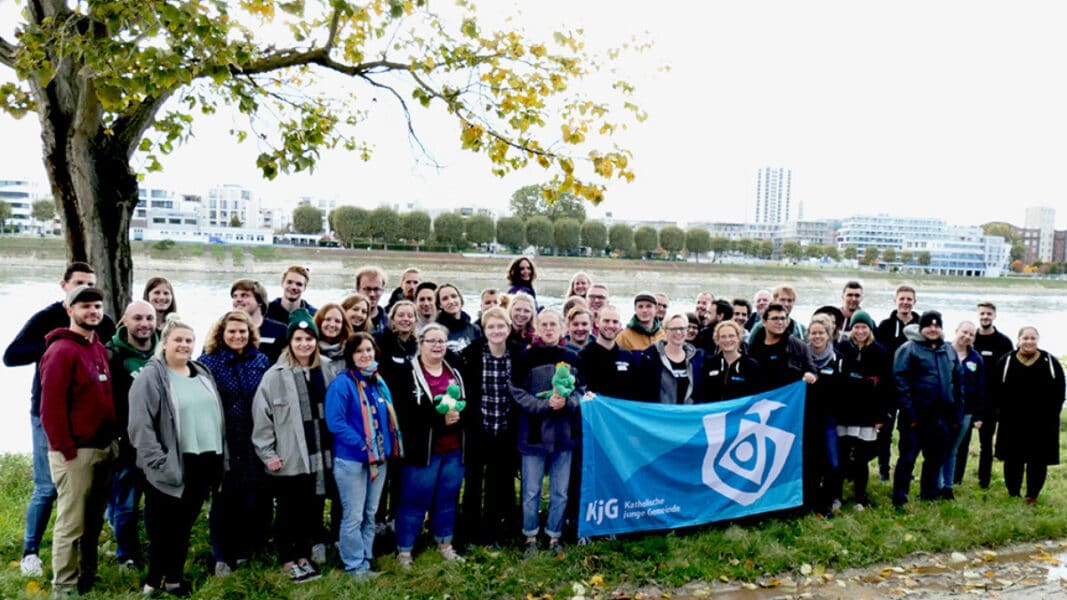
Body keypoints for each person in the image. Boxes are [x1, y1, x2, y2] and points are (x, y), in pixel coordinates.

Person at [3, 262, 116, 578]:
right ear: (64, 287)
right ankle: (30, 552)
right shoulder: (50, 321)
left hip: (88, 422)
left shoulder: (98, 321)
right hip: (47, 411)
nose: (87, 294)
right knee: (47, 487)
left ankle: (84, 563)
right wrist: (58, 341)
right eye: (79, 283)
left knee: (84, 498)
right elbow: (11, 356)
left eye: (91, 285)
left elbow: (110, 349)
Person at [128, 314, 225, 596]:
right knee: (163, 529)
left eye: (189, 340)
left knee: (183, 526)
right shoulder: (152, 376)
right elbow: (140, 425)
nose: (184, 345)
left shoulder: (202, 372)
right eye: (178, 340)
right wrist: (157, 462)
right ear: (165, 342)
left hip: (204, 461)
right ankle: (152, 582)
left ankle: (174, 579)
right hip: (171, 463)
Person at [39, 285, 118, 596]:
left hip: (104, 447)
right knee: (71, 524)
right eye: (85, 306)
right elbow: (50, 408)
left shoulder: (97, 346)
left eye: (97, 306)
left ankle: (87, 576)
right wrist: (66, 450)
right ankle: (65, 586)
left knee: (93, 521)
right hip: (75, 454)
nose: (93, 312)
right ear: (70, 310)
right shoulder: (60, 351)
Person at [252, 310, 341, 582]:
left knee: (312, 508)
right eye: (299, 339)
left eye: (309, 338)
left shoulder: (327, 368)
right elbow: (262, 418)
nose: (305, 344)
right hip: (290, 456)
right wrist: (268, 454)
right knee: (289, 510)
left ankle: (304, 554)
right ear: (290, 341)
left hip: (321, 454)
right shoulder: (275, 375)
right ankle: (287, 559)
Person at [197, 310, 271, 576]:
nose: (238, 336)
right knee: (224, 498)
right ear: (222, 334)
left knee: (253, 497)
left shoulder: (260, 360)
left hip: (255, 439)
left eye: (242, 331)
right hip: (224, 439)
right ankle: (221, 555)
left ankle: (244, 549)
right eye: (232, 332)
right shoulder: (208, 363)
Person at [390, 323, 467, 569]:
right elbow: (404, 412)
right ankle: (404, 551)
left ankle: (445, 544)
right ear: (420, 344)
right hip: (422, 451)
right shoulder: (406, 373)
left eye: (441, 341)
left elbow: (467, 401)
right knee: (414, 501)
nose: (436, 346)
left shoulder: (455, 370)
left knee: (447, 499)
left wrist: (459, 415)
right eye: (431, 341)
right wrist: (438, 418)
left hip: (454, 449)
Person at [326, 332, 403, 578]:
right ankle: (354, 566)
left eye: (369, 350)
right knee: (354, 515)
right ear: (350, 355)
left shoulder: (377, 380)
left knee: (371, 513)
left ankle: (366, 558)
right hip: (352, 460)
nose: (365, 355)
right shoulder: (342, 383)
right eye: (359, 351)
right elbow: (335, 422)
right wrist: (363, 445)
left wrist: (386, 447)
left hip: (379, 459)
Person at [511, 309, 581, 558]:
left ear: (562, 328)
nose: (549, 328)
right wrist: (544, 405)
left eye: (553, 324)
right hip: (533, 434)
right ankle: (530, 534)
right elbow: (517, 393)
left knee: (560, 490)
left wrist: (568, 403)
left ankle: (554, 535)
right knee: (531, 490)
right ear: (537, 328)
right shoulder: (523, 357)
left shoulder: (573, 356)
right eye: (544, 324)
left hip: (564, 434)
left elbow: (582, 392)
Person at [458, 307, 520, 547]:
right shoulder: (471, 354)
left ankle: (497, 530)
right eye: (491, 327)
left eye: (501, 326)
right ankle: (469, 531)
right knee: (473, 481)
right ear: (484, 330)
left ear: (509, 328)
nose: (496, 331)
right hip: (479, 426)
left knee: (500, 480)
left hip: (505, 427)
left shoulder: (518, 354)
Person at [105, 300, 158, 572]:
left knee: (158, 501)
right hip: (127, 442)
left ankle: (156, 548)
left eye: (149, 318)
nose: (144, 324)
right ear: (124, 321)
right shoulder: (111, 355)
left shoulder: (165, 351)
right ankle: (125, 554)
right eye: (137, 318)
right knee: (126, 502)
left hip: (160, 442)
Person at [891, 310, 961, 508]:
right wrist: (910, 412)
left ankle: (928, 496)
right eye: (929, 325)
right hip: (915, 418)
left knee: (934, 459)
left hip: (941, 418)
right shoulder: (909, 349)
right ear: (921, 328)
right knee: (907, 459)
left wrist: (957, 413)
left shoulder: (948, 350)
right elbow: (900, 382)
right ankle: (900, 499)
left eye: (937, 325)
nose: (933, 329)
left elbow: (958, 383)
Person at [992, 327, 1064, 504]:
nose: (1029, 342)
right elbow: (995, 388)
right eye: (1025, 338)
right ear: (1019, 340)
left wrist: (1053, 414)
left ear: (1038, 340)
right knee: (1012, 458)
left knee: (1038, 460)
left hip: (1042, 422)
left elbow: (1060, 390)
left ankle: (1032, 495)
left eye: (1033, 338)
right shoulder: (1007, 360)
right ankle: (1013, 493)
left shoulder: (1050, 362)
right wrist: (999, 413)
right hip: (1012, 421)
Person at [834, 310, 891, 510]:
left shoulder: (879, 351)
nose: (860, 331)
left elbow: (886, 386)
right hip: (845, 412)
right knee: (841, 455)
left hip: (868, 414)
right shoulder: (842, 348)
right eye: (857, 327)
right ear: (852, 329)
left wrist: (882, 415)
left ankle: (860, 497)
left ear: (870, 329)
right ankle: (836, 497)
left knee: (861, 458)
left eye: (864, 327)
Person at [874, 284, 918, 481]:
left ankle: (905, 470)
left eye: (909, 299)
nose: (905, 302)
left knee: (908, 432)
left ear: (914, 302)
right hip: (889, 387)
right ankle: (884, 468)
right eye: (902, 298)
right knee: (885, 431)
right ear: (895, 300)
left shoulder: (921, 325)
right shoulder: (885, 325)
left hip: (913, 388)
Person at [969, 301, 1014, 489]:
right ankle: (954, 479)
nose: (985, 317)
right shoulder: (971, 338)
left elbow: (1009, 374)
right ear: (977, 315)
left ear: (994, 316)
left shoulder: (1004, 342)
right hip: (969, 398)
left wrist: (1001, 404)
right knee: (961, 443)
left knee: (986, 444)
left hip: (991, 402)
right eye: (982, 314)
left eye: (988, 314)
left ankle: (984, 480)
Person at [803, 315, 841, 513]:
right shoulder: (803, 356)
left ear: (828, 335)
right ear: (808, 335)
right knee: (811, 462)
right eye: (813, 333)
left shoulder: (837, 358)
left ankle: (832, 498)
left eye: (821, 333)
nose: (817, 336)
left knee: (832, 461)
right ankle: (811, 501)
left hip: (829, 418)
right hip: (806, 418)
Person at [942, 321, 985, 499]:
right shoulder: (942, 351)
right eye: (964, 332)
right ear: (956, 331)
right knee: (938, 448)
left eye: (971, 334)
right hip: (942, 408)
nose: (966, 337)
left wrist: (979, 415)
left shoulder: (976, 359)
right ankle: (934, 484)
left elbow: (981, 388)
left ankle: (948, 487)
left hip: (965, 411)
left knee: (952, 449)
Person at [747, 303, 817, 390]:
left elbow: (812, 371)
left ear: (787, 322)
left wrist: (810, 376)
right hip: (761, 398)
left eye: (783, 318)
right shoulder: (754, 347)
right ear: (764, 322)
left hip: (788, 397)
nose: (780, 322)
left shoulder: (799, 346)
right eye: (775, 318)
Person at [579, 305, 642, 401]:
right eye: (606, 321)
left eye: (615, 322)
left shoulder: (627, 356)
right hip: (596, 412)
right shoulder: (583, 355)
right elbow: (580, 391)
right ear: (597, 323)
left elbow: (635, 392)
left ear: (620, 326)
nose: (611, 325)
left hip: (620, 413)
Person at [640, 313, 700, 405]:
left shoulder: (695, 358)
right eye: (673, 329)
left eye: (682, 328)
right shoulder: (650, 357)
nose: (678, 332)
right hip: (661, 415)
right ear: (665, 331)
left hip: (687, 415)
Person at [697, 320, 762, 403]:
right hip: (713, 414)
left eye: (731, 336)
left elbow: (757, 396)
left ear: (738, 338)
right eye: (723, 337)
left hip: (740, 414)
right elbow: (702, 393)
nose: (727, 340)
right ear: (717, 340)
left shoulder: (751, 365)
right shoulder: (709, 363)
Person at [231, 278, 287, 364]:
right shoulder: (222, 329)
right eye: (235, 296)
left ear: (260, 301)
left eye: (244, 295)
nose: (238, 300)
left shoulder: (280, 330)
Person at [436, 283, 481, 353]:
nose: (451, 301)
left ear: (460, 299)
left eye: (454, 296)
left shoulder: (474, 329)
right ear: (440, 305)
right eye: (445, 299)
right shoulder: (435, 331)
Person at [355, 266, 389, 334]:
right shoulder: (345, 320)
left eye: (376, 289)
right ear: (358, 289)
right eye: (367, 289)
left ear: (382, 290)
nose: (372, 294)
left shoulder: (389, 323)